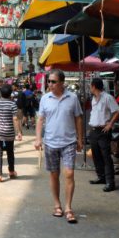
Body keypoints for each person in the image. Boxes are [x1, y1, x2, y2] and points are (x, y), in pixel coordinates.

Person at [35, 69, 83, 224]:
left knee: (69, 174)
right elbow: (40, 120)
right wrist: (37, 139)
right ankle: (57, 205)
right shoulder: (44, 99)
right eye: (48, 81)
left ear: (62, 83)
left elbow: (78, 118)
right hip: (50, 142)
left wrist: (80, 139)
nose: (50, 84)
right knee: (54, 175)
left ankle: (68, 208)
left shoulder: (73, 98)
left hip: (69, 142)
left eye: (53, 82)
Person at [89, 77, 119, 192]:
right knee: (96, 155)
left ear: (94, 86)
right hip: (93, 130)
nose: (89, 88)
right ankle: (101, 177)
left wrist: (110, 124)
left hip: (103, 131)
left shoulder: (108, 98)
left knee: (106, 157)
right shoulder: (93, 98)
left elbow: (118, 111)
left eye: (90, 86)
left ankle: (110, 182)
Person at [0, 84, 21, 182]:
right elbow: (15, 119)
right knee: (10, 152)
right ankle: (11, 171)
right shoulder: (12, 104)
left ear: (1, 93)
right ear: (10, 94)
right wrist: (19, 132)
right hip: (9, 132)